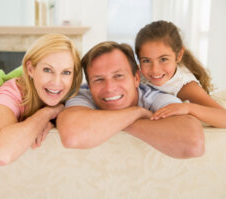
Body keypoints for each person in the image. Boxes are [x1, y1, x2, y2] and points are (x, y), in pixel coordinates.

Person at [57, 41, 205, 159]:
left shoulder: (156, 98)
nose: (109, 88)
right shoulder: (84, 95)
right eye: (99, 79)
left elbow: (193, 144)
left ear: (136, 78)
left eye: (118, 76)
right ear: (89, 85)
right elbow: (72, 136)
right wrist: (137, 112)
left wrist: (115, 123)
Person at [0, 34, 82, 166]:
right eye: (47, 70)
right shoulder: (10, 93)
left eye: (66, 72)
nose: (56, 82)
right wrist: (47, 113)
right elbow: (2, 154)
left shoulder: (75, 93)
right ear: (30, 69)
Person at [135, 20, 226, 128]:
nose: (155, 70)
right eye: (146, 60)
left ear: (179, 55)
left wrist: (188, 108)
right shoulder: (139, 72)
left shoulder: (185, 86)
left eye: (163, 59)